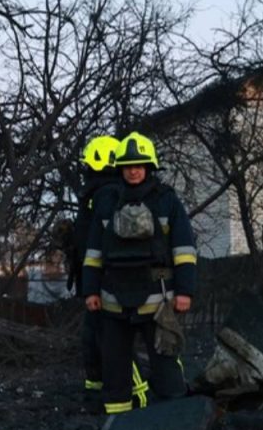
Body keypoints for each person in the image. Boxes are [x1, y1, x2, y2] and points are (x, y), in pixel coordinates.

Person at [82, 131, 196, 414]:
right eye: (128, 166)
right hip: (113, 300)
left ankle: (175, 417)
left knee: (165, 359)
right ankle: (118, 422)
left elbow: (184, 249)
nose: (133, 171)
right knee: (115, 365)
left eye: (139, 165)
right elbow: (94, 252)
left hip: (157, 300)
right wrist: (90, 290)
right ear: (120, 168)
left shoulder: (167, 201)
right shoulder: (106, 201)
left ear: (149, 167)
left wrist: (185, 291)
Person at [70, 136, 150, 405]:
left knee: (113, 343)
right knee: (94, 339)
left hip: (108, 284)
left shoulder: (108, 196)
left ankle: (140, 395)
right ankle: (97, 390)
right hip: (94, 282)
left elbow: (103, 243)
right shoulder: (97, 196)